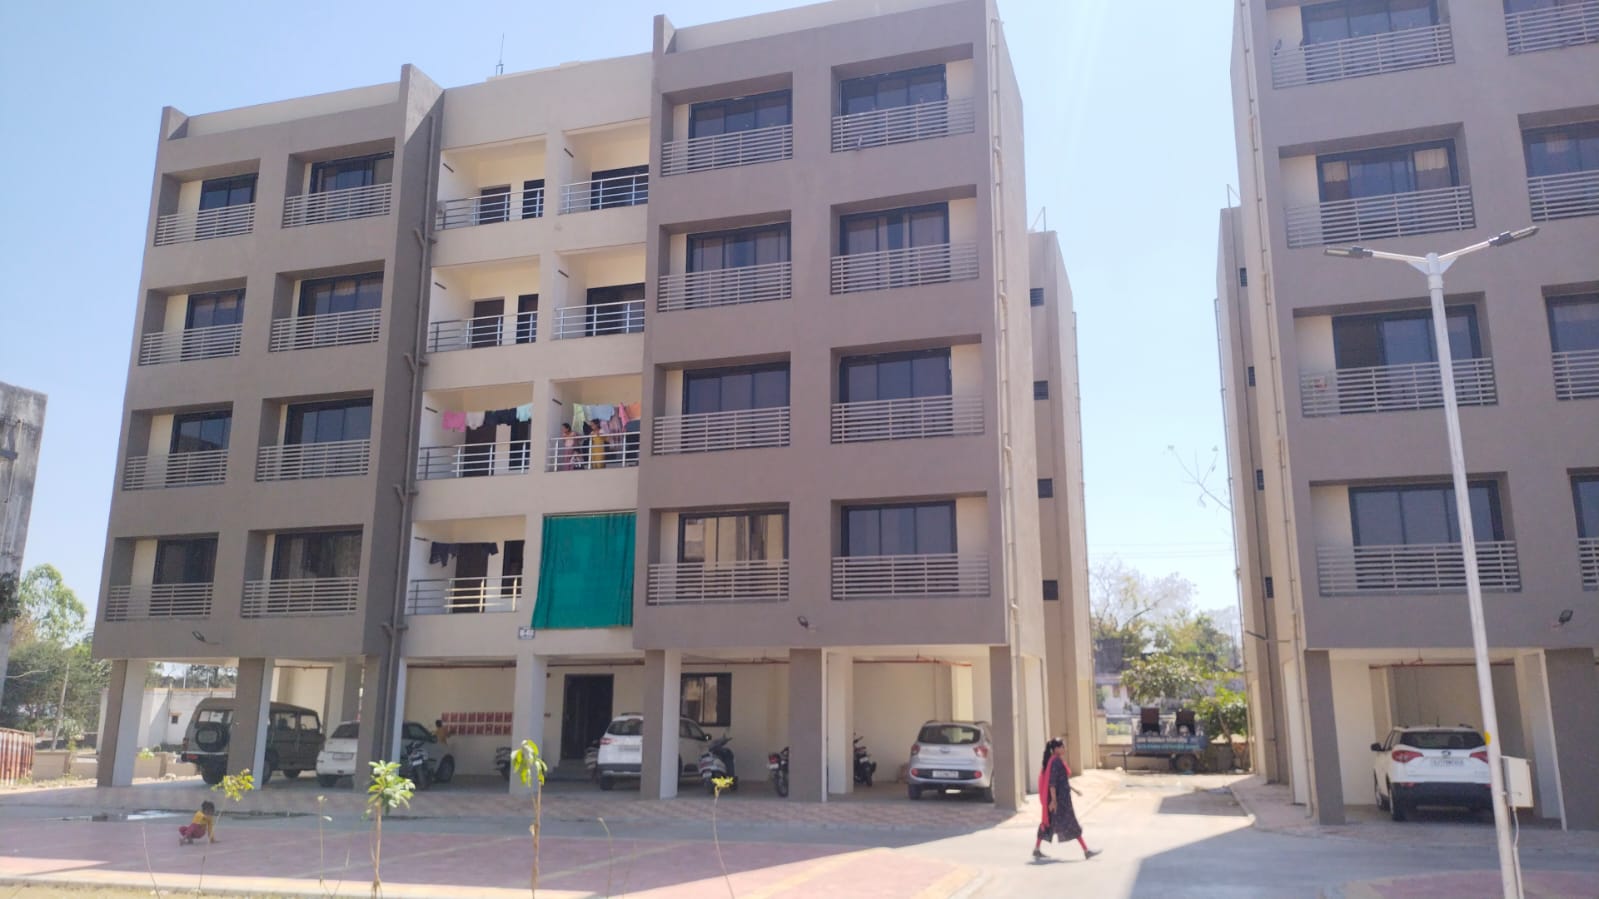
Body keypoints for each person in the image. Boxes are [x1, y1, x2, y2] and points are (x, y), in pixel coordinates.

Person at [1034, 739, 1099, 861]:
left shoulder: (1056, 760)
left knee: (1048, 824)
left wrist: (1074, 789)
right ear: (1056, 748)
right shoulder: (1055, 762)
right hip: (1060, 801)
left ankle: (1037, 849)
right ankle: (1086, 851)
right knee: (1071, 824)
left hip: (1061, 799)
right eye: (1063, 746)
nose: (1065, 748)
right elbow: (1052, 783)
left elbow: (1061, 781)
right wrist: (1053, 801)